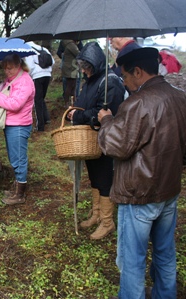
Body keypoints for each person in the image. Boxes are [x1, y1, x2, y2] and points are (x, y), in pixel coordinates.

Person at [98, 47, 186, 299]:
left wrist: (106, 120)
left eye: (125, 76)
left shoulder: (137, 103)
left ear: (138, 71)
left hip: (139, 194)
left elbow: (116, 146)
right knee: (165, 252)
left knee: (132, 261)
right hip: (169, 190)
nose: (124, 81)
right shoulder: (180, 97)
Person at [66, 42, 125, 240]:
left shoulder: (111, 82)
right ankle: (97, 213)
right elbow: (85, 105)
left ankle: (107, 222)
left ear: (96, 64)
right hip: (90, 137)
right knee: (94, 176)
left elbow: (105, 111)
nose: (84, 71)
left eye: (87, 67)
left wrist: (78, 116)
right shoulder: (90, 81)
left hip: (106, 137)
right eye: (83, 67)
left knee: (105, 177)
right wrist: (74, 112)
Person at [0, 53, 35, 205]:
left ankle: (20, 193)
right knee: (14, 157)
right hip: (11, 123)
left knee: (19, 159)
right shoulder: (12, 80)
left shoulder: (25, 82)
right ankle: (17, 186)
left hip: (19, 124)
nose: (7, 71)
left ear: (18, 66)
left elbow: (15, 104)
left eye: (10, 68)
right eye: (5, 68)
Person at [24, 41, 54, 132]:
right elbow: (53, 61)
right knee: (41, 98)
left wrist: (27, 75)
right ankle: (46, 118)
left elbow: (30, 66)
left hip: (37, 76)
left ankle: (40, 126)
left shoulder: (28, 50)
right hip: (47, 75)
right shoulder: (43, 49)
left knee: (37, 100)